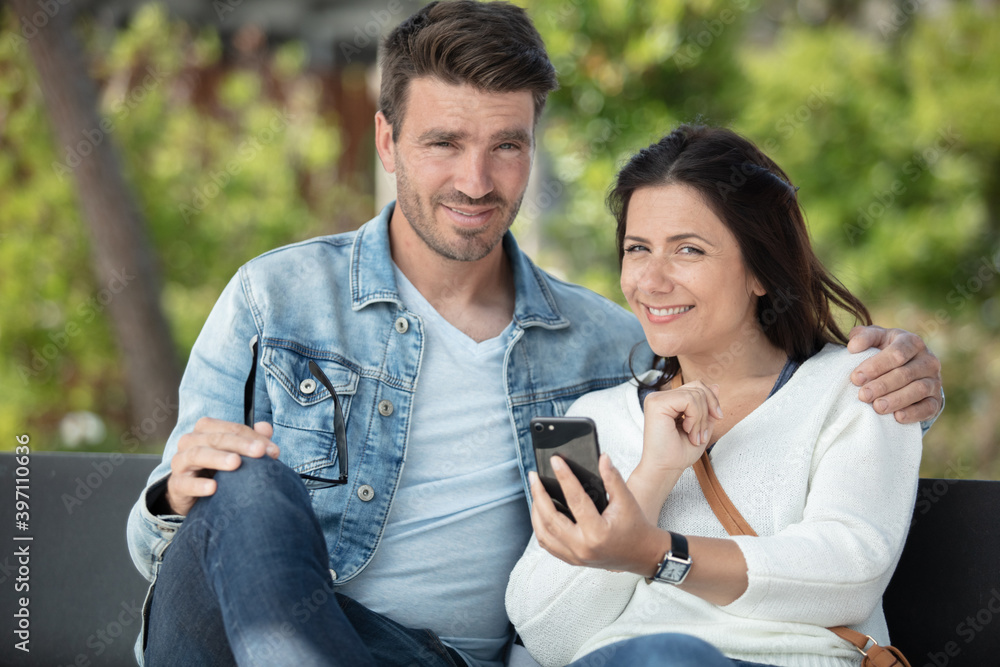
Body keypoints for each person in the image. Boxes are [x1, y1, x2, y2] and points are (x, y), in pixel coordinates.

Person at [126, 3, 942, 666]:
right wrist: (172, 494)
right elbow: (157, 545)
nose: (475, 181)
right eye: (444, 143)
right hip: (265, 628)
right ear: (388, 142)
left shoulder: (607, 350)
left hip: (451, 660)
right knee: (243, 478)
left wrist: (906, 383)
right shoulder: (276, 297)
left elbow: (750, 381)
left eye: (505, 146)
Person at [504, 124, 926, 667]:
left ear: (760, 270)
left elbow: (851, 572)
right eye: (638, 249)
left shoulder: (859, 387)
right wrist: (653, 475)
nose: (652, 281)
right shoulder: (595, 419)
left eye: (688, 250)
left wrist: (656, 554)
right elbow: (547, 631)